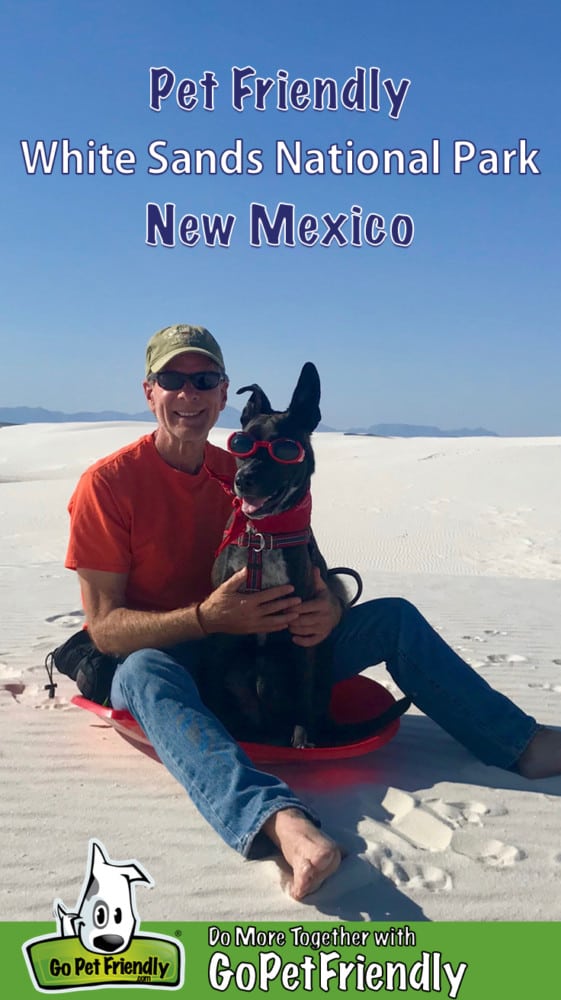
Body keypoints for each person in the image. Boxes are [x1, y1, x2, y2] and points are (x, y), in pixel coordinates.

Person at [65, 323, 561, 901]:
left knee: (394, 617)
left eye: (203, 379)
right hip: (169, 658)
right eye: (172, 379)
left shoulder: (252, 465)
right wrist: (207, 619)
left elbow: (311, 567)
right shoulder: (108, 485)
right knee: (144, 670)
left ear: (224, 394)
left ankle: (521, 744)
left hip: (269, 643)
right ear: (149, 391)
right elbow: (104, 630)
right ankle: (279, 823)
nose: (189, 394)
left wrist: (330, 604)